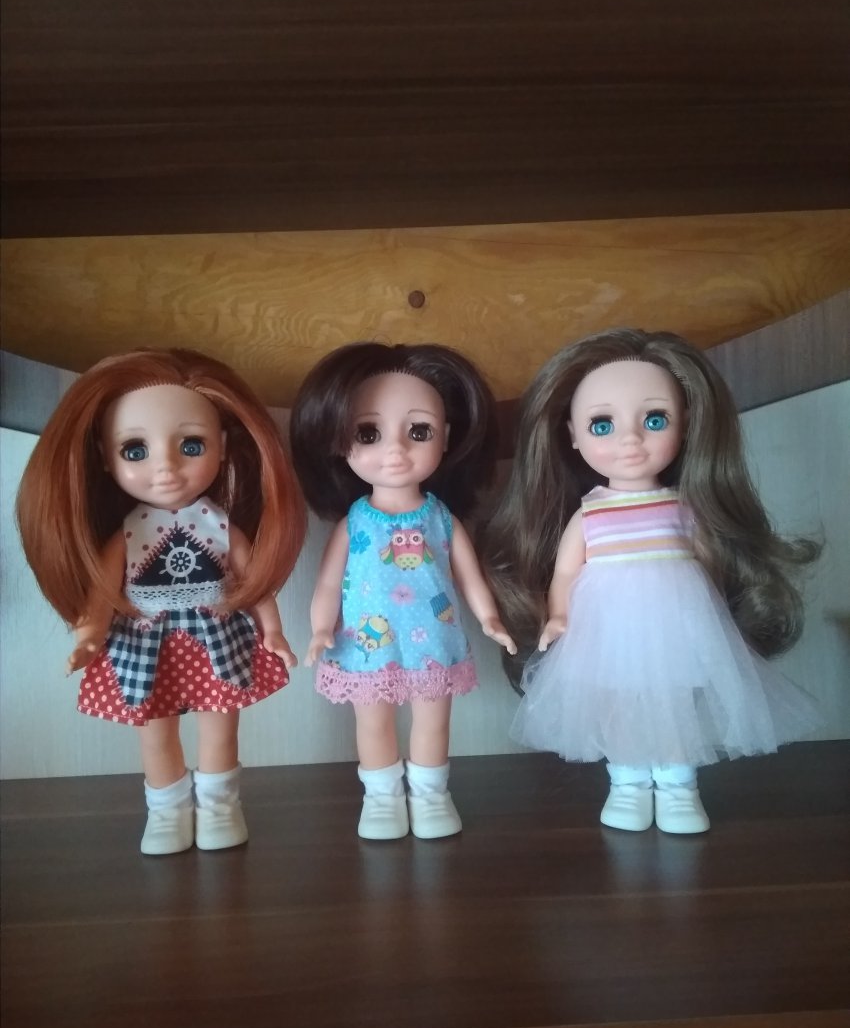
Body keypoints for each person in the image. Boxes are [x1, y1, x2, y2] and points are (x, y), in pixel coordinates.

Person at [479, 328, 820, 834]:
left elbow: (708, 562)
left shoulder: (684, 507)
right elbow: (567, 570)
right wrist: (559, 615)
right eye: (602, 424)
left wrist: (715, 614)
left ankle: (679, 787)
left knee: (676, 702)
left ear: (686, 425)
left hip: (675, 622)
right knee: (618, 702)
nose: (630, 440)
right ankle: (628, 783)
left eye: (654, 420)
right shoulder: (590, 514)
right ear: (571, 435)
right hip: (608, 628)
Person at [17, 348, 306, 854]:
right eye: (135, 450)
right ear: (104, 457)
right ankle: (167, 812)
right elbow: (103, 592)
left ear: (221, 446)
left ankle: (220, 808)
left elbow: (254, 582)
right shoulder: (127, 534)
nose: (166, 468)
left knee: (220, 727)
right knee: (155, 732)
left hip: (216, 638)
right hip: (145, 643)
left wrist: (274, 631)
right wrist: (89, 637)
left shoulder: (219, 525)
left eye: (191, 445)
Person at [290, 342, 516, 840]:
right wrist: (320, 629)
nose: (395, 451)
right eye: (368, 433)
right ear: (338, 439)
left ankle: (432, 796)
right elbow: (328, 581)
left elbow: (468, 574)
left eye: (419, 432)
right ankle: (381, 799)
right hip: (365, 643)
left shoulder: (440, 517)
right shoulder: (355, 521)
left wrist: (490, 618)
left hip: (433, 639)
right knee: (372, 722)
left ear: (446, 437)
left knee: (433, 722)